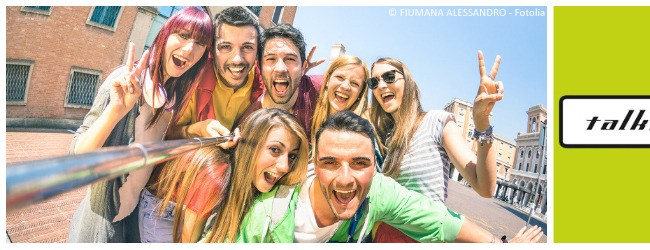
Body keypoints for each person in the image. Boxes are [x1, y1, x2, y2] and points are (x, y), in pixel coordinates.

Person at [237, 111, 543, 243]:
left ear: (375, 166)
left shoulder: (378, 191)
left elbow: (439, 220)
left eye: (359, 163)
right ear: (314, 163)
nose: (345, 179)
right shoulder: (265, 216)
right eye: (330, 162)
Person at [67, 6, 213, 243]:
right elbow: (77, 156)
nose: (189, 49)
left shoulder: (172, 97)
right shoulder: (124, 84)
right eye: (183, 35)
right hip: (102, 220)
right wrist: (116, 111)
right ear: (165, 34)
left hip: (133, 215)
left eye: (200, 42)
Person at [368, 53, 504, 242]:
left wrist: (481, 120)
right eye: (374, 82)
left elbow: (484, 187)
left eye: (389, 77)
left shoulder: (436, 121)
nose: (382, 85)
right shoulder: (385, 138)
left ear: (407, 81)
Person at [203, 108, 310, 242]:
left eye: (292, 156)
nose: (285, 167)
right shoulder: (214, 175)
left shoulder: (267, 197)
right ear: (249, 145)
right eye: (275, 149)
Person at [168, 6, 263, 143]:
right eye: (225, 47)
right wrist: (197, 130)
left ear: (257, 52)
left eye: (247, 47)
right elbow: (167, 134)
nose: (237, 59)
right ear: (212, 50)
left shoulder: (264, 85)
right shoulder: (193, 76)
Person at [138, 147, 231, 243]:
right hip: (163, 211)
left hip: (158, 201)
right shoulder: (218, 170)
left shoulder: (214, 150)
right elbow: (188, 238)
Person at [259, 23, 324, 139]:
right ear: (260, 67)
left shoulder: (318, 88)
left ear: (304, 67)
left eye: (290, 59)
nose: (280, 68)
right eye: (270, 59)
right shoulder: (249, 120)